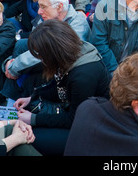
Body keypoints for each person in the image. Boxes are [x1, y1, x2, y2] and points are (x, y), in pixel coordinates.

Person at [12, 19, 109, 156]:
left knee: (30, 136)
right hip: (80, 111)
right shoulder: (75, 51)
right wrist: (32, 97)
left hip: (94, 127)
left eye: (41, 55)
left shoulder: (83, 76)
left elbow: (74, 118)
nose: (41, 59)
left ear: (53, 52)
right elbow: (61, 86)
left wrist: (33, 119)